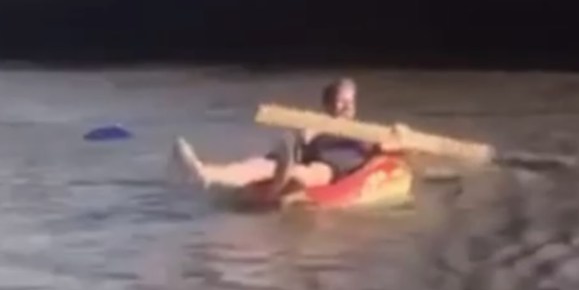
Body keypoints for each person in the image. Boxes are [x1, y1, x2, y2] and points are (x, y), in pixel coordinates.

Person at [174, 77, 406, 192]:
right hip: (303, 158)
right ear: (327, 105)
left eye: (350, 102)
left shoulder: (363, 131)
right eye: (340, 102)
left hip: (331, 170)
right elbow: (300, 143)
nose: (346, 108)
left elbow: (390, 148)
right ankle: (206, 173)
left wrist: (398, 137)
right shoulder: (314, 126)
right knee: (261, 164)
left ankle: (286, 177)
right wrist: (303, 137)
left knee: (310, 172)